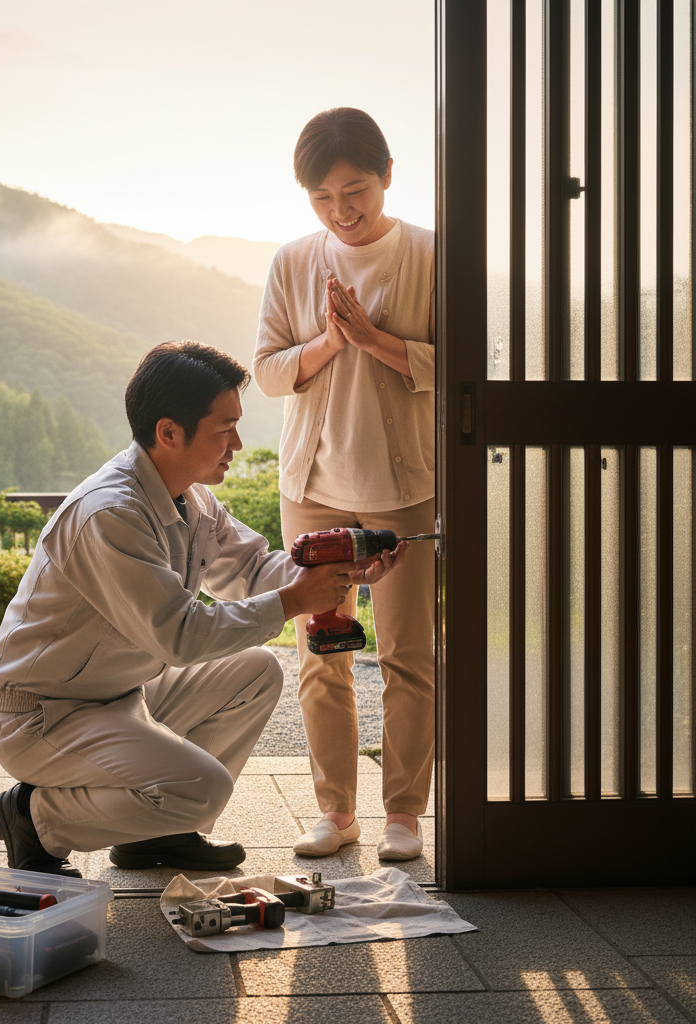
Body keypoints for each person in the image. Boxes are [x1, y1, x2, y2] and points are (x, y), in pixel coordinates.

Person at [0, 340, 405, 877]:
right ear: (169, 433)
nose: (237, 442)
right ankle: (35, 818)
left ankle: (156, 835)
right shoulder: (110, 514)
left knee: (256, 671)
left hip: (116, 694)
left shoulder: (192, 496)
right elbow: (179, 636)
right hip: (45, 713)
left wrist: (341, 573)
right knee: (204, 789)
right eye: (224, 428)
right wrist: (296, 600)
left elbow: (251, 572)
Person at [252, 107, 435, 862]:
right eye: (323, 199)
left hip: (403, 486)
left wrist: (375, 342)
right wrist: (330, 342)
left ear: (388, 175)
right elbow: (266, 372)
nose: (342, 211)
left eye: (355, 191)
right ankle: (336, 813)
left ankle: (403, 816)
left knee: (406, 654)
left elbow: (462, 368)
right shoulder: (294, 261)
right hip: (313, 485)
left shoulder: (432, 254)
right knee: (323, 654)